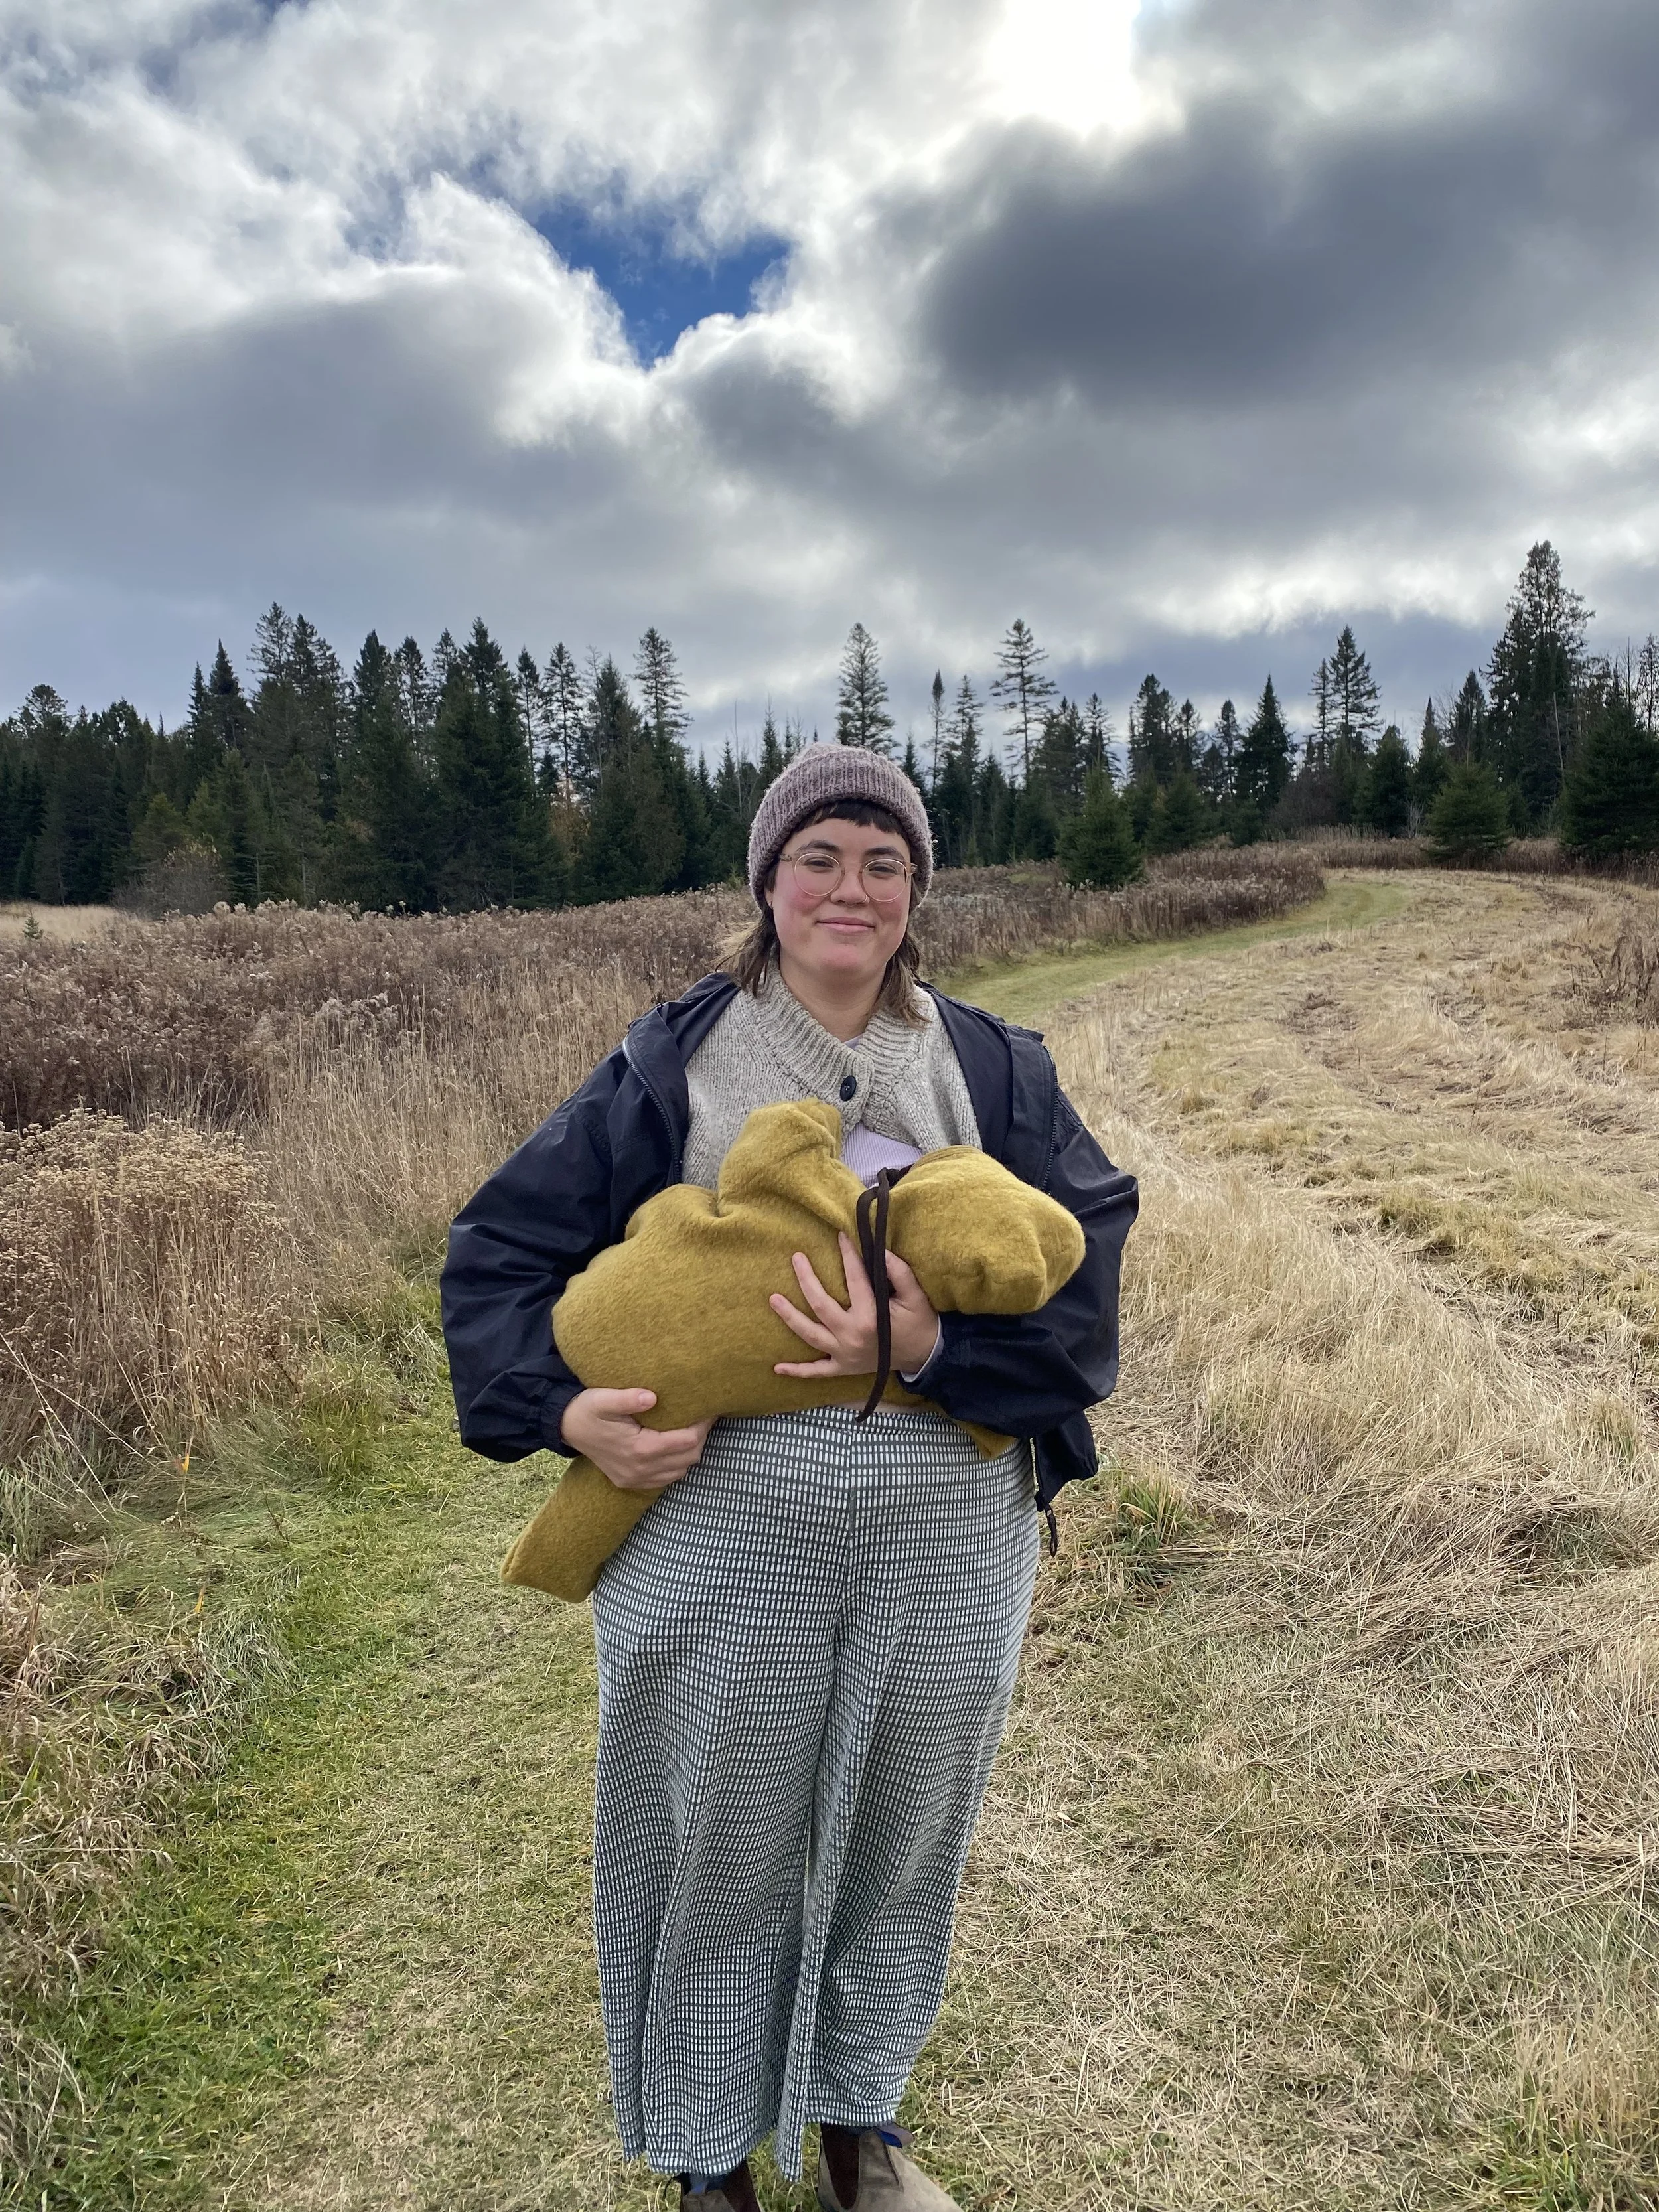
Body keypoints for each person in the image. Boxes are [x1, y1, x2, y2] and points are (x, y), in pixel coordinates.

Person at [441, 744, 1137, 2212]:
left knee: (900, 1833)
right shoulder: (672, 1061)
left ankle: (858, 2129)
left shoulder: (992, 1067)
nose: (851, 886)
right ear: (765, 882)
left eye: (884, 863)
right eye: (819, 856)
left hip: (946, 1548)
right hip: (716, 1551)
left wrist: (931, 1344)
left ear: (915, 895)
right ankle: (709, 2159)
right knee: (718, 1840)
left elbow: (1084, 1295)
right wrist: (573, 1417)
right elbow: (495, 1256)